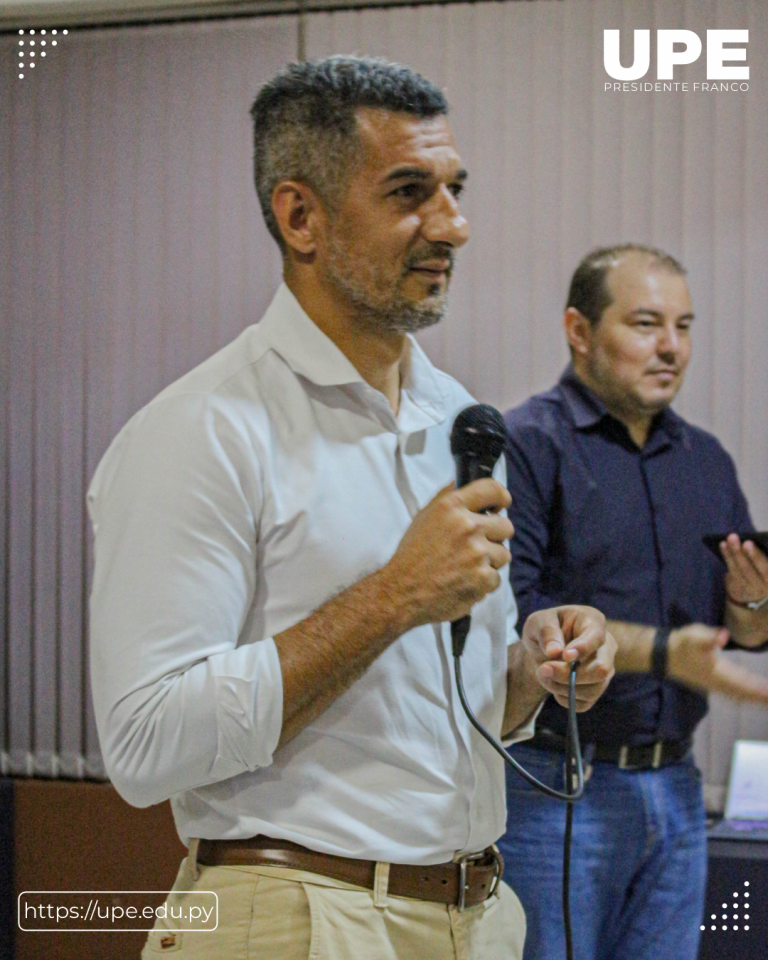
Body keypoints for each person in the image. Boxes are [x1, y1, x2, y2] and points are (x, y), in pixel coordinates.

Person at [87, 58, 616, 960]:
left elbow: (425, 701)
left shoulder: (457, 414)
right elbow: (145, 745)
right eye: (410, 192)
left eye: (453, 188)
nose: (453, 224)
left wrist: (531, 674)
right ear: (302, 217)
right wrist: (397, 593)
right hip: (296, 919)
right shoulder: (200, 429)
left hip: (475, 913)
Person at [497, 243, 768, 960]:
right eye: (647, 323)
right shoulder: (526, 444)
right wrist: (665, 654)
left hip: (676, 790)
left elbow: (734, 634)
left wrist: (751, 605)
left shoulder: (706, 459)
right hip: (553, 786)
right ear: (579, 330)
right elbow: (515, 614)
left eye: (684, 326)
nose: (671, 348)